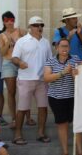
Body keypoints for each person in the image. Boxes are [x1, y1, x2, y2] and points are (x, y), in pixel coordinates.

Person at [11, 16, 52, 145]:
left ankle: (40, 133)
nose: (39, 27)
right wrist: (20, 63)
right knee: (22, 109)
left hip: (42, 80)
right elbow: (14, 58)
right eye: (36, 25)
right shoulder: (22, 41)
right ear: (30, 27)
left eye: (41, 25)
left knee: (43, 108)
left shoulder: (45, 42)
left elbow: (50, 61)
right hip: (25, 79)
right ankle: (17, 135)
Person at [44, 38, 82, 155]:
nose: (65, 49)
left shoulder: (75, 59)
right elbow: (46, 78)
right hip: (56, 98)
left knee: (77, 123)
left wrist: (74, 75)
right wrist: (63, 72)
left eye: (67, 46)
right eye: (62, 46)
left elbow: (81, 79)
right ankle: (65, 152)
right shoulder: (50, 61)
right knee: (62, 124)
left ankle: (79, 151)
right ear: (57, 48)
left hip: (73, 97)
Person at [0, 11, 35, 129]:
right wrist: (8, 41)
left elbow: (29, 44)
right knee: (11, 92)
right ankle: (14, 118)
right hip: (8, 63)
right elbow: (2, 53)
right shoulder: (1, 35)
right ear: (3, 21)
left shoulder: (21, 31)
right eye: (7, 20)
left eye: (11, 19)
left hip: (21, 61)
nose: (9, 22)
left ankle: (28, 117)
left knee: (26, 90)